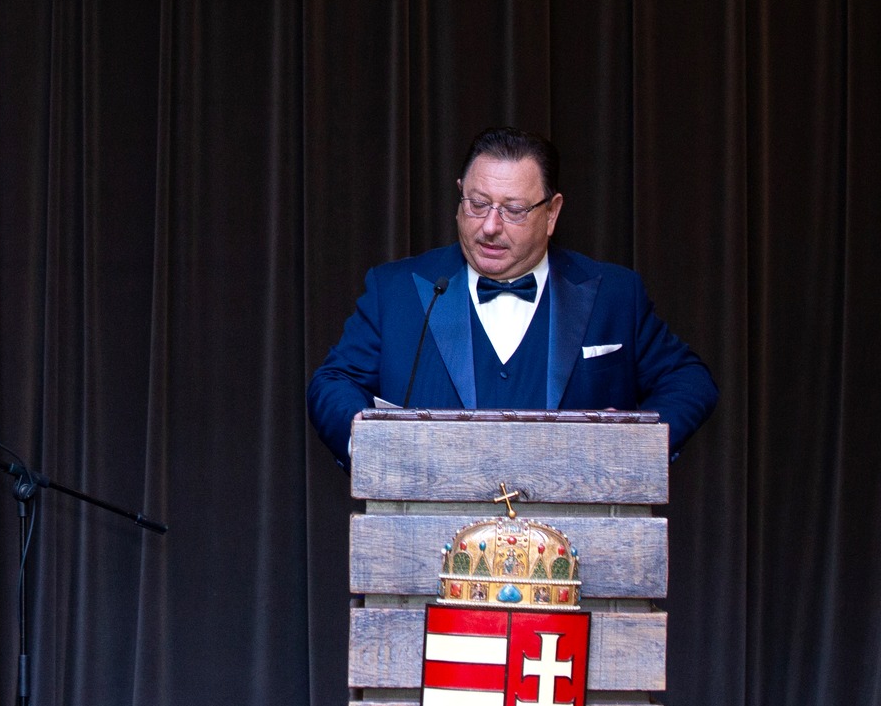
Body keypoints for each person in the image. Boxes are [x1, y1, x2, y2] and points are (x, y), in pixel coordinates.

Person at [305, 127, 717, 464]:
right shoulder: (394, 291)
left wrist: (636, 442)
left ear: (551, 213)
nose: (489, 226)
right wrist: (370, 444)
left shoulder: (615, 294)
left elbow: (689, 381)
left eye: (514, 210)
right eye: (478, 204)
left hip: (572, 545)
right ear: (459, 195)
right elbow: (332, 382)